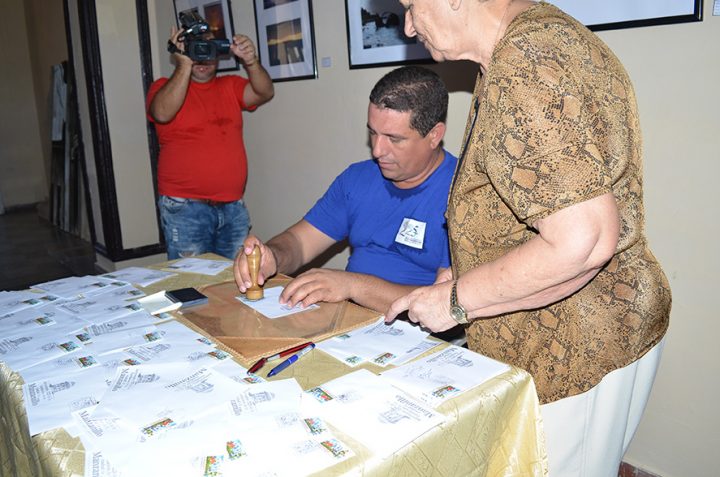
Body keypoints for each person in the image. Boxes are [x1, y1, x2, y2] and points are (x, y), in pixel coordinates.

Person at [386, 1, 671, 476]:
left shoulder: (526, 58)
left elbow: (582, 239)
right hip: (611, 315)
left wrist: (455, 300)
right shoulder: (542, 35)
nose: (410, 26)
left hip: (573, 336)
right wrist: (472, 265)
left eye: (412, 5)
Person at [234, 66, 458, 315]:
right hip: (350, 322)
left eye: (394, 139)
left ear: (434, 135)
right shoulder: (357, 179)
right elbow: (300, 242)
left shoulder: (464, 195)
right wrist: (272, 256)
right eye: (373, 133)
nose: (377, 150)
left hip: (420, 334)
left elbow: (443, 303)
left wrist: (353, 286)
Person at [147, 27, 274, 260]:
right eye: (196, 50)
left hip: (233, 207)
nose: (203, 58)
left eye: (209, 50)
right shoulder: (162, 87)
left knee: (235, 280)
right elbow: (162, 113)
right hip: (185, 207)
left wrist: (251, 61)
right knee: (193, 283)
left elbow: (264, 92)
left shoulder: (230, 86)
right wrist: (184, 63)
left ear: (220, 53)